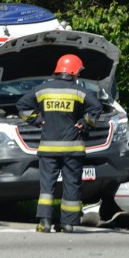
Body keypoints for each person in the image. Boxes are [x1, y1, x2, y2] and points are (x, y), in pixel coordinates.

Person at [16, 54, 102, 233]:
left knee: (47, 186)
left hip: (48, 148)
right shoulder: (80, 91)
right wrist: (85, 122)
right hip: (73, 149)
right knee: (71, 184)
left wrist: (37, 120)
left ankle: (45, 222)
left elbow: (22, 105)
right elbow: (96, 108)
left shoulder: (43, 90)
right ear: (74, 72)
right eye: (78, 72)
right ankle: (68, 224)